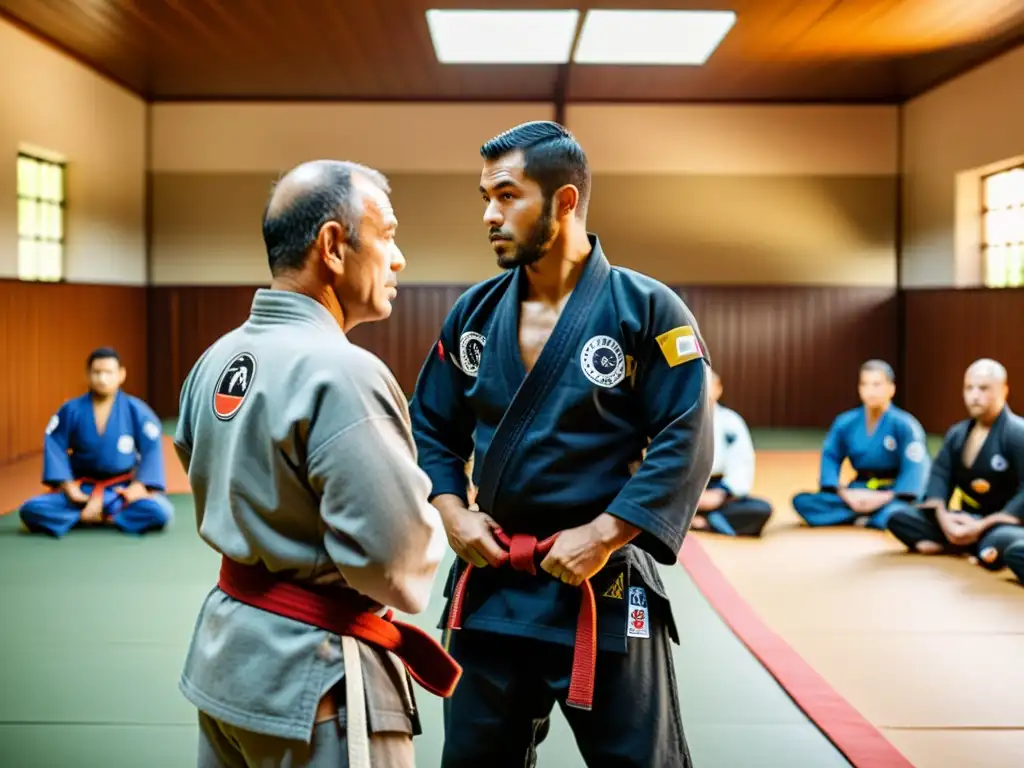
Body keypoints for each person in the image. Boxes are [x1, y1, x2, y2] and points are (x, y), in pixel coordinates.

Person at [409, 121, 713, 767]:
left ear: (565, 200)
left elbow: (687, 437)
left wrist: (605, 534)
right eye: (486, 197)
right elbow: (431, 424)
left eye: (508, 195)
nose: (490, 214)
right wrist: (450, 511)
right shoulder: (474, 312)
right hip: (491, 581)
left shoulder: (647, 310)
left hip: (598, 586)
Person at [173, 160, 459, 768]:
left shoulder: (216, 357)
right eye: (387, 234)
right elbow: (393, 560)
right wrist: (448, 514)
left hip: (227, 657)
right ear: (333, 246)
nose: (399, 257)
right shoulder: (343, 371)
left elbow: (195, 462)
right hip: (316, 675)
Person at [887, 359, 1024, 583]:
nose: (975, 395)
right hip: (963, 520)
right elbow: (939, 477)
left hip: (1000, 524)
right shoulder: (957, 434)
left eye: (984, 388)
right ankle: (970, 546)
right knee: (900, 517)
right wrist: (946, 521)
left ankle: (969, 545)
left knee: (1006, 542)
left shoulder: (1018, 434)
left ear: (1004, 390)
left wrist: (982, 525)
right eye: (969, 388)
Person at [18, 347, 173, 537]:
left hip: (120, 490)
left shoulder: (136, 410)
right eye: (97, 372)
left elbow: (152, 448)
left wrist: (139, 486)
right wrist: (69, 487)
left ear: (121, 375)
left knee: (160, 511)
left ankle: (94, 516)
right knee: (31, 509)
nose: (102, 378)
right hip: (82, 490)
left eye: (108, 372)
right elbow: (55, 444)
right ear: (87, 375)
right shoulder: (71, 409)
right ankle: (97, 515)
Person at [791, 360, 930, 530]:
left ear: (891, 389)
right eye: (865, 384)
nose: (870, 391)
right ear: (859, 388)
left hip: (892, 492)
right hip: (858, 490)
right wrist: (845, 494)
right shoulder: (845, 423)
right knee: (802, 501)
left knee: (901, 513)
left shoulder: (906, 425)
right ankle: (870, 518)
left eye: (877, 384)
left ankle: (861, 518)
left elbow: (915, 470)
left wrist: (885, 497)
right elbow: (830, 456)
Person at [690, 369, 773, 537]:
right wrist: (689, 496)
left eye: (708, 385)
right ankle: (696, 518)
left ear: (718, 388)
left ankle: (703, 521)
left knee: (761, 509)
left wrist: (722, 493)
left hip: (718, 490)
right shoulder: (677, 420)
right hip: (683, 491)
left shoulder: (731, 422)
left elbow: (742, 463)